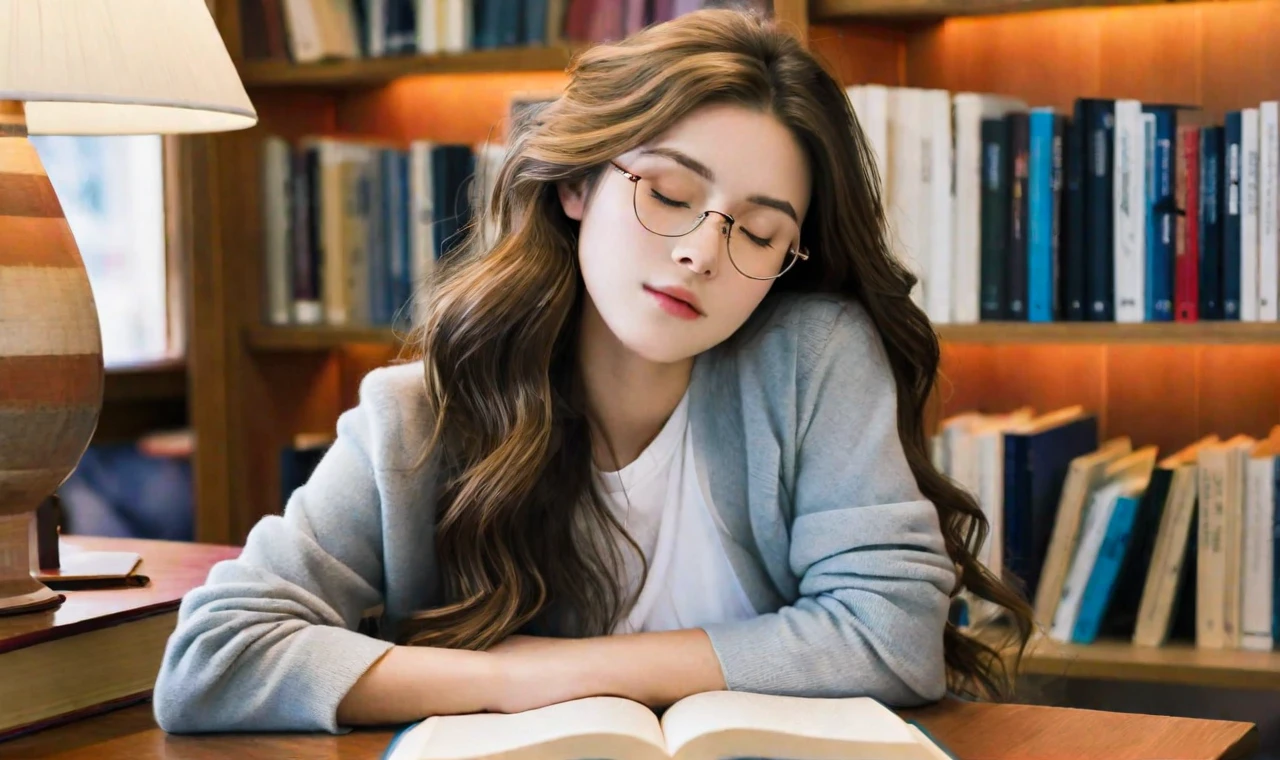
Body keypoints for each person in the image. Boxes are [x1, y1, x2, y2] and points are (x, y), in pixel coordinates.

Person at [152, 7, 1033, 735]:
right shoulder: (420, 418)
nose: (699, 254)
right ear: (576, 187)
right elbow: (212, 661)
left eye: (758, 233)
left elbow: (893, 637)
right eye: (669, 193)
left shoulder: (813, 360)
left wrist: (574, 667)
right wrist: (503, 684)